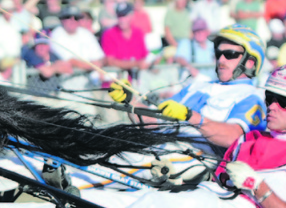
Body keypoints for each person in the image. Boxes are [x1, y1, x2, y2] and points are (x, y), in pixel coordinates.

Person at [0, 64, 286, 208]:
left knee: (157, 205)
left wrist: (257, 187)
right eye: (271, 97)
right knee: (103, 201)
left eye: (285, 102)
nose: (273, 106)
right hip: (209, 195)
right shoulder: (253, 137)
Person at [111, 24, 267, 157]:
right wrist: (129, 101)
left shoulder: (252, 97)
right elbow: (152, 122)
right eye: (218, 54)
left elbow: (234, 137)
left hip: (199, 161)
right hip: (162, 152)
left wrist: (191, 117)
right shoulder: (196, 86)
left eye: (230, 54)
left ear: (251, 62)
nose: (221, 60)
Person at [101, 2, 150, 72]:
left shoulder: (138, 33)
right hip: (118, 79)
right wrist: (136, 64)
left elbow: (145, 57)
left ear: (132, 15)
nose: (122, 19)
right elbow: (110, 61)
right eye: (119, 16)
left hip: (138, 78)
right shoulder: (109, 34)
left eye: (124, 16)